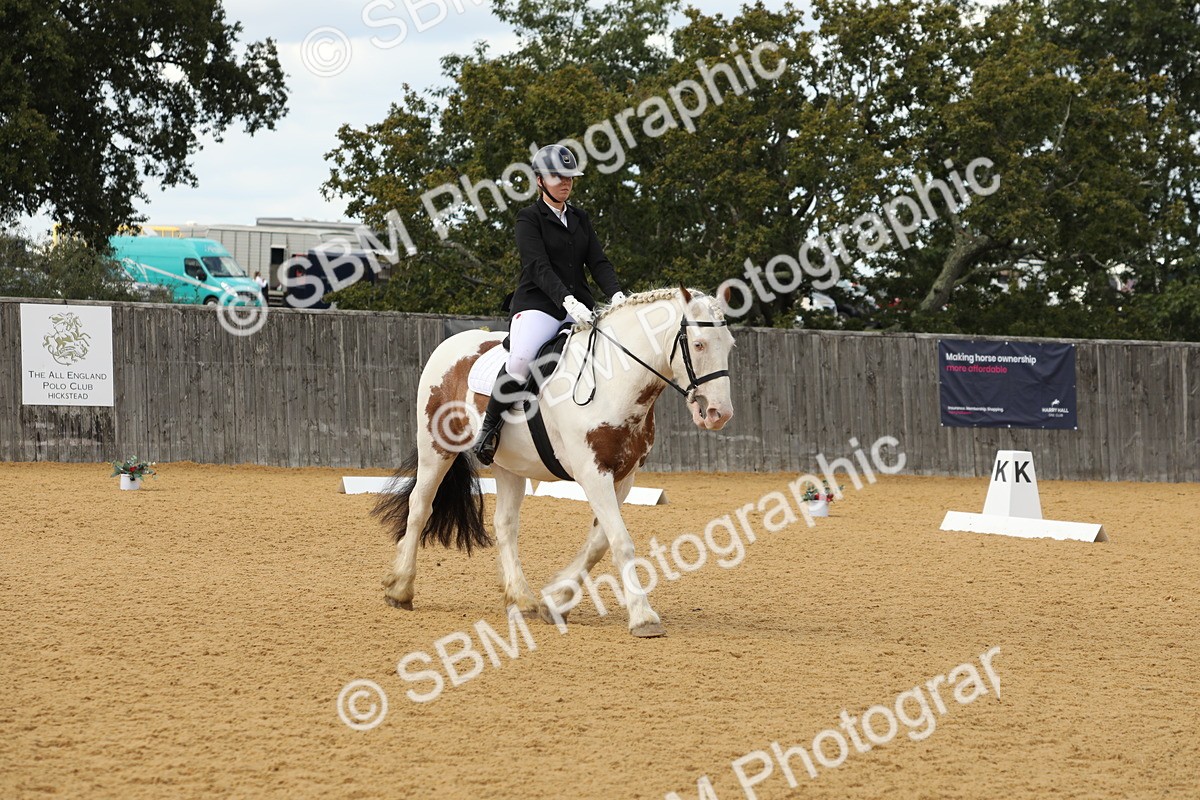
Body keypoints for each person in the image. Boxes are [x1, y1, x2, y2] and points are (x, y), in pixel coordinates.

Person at [473, 144, 627, 465]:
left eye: (569, 176)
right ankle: (489, 430)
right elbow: (537, 266)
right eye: (557, 176)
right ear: (540, 180)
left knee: (603, 356)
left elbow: (598, 262)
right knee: (521, 360)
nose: (565, 182)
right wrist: (566, 299)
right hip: (539, 306)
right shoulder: (528, 218)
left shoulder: (580, 218)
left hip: (579, 308)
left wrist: (616, 295)